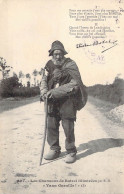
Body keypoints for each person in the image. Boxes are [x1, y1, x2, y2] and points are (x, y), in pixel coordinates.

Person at [40, 40, 87, 163]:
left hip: (67, 100)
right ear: (51, 54)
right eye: (55, 54)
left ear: (63, 53)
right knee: (51, 125)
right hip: (51, 101)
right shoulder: (48, 65)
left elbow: (75, 84)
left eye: (60, 53)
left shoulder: (71, 64)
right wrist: (44, 92)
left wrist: (55, 92)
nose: (57, 56)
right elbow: (43, 80)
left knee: (68, 126)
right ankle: (54, 149)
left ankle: (71, 151)